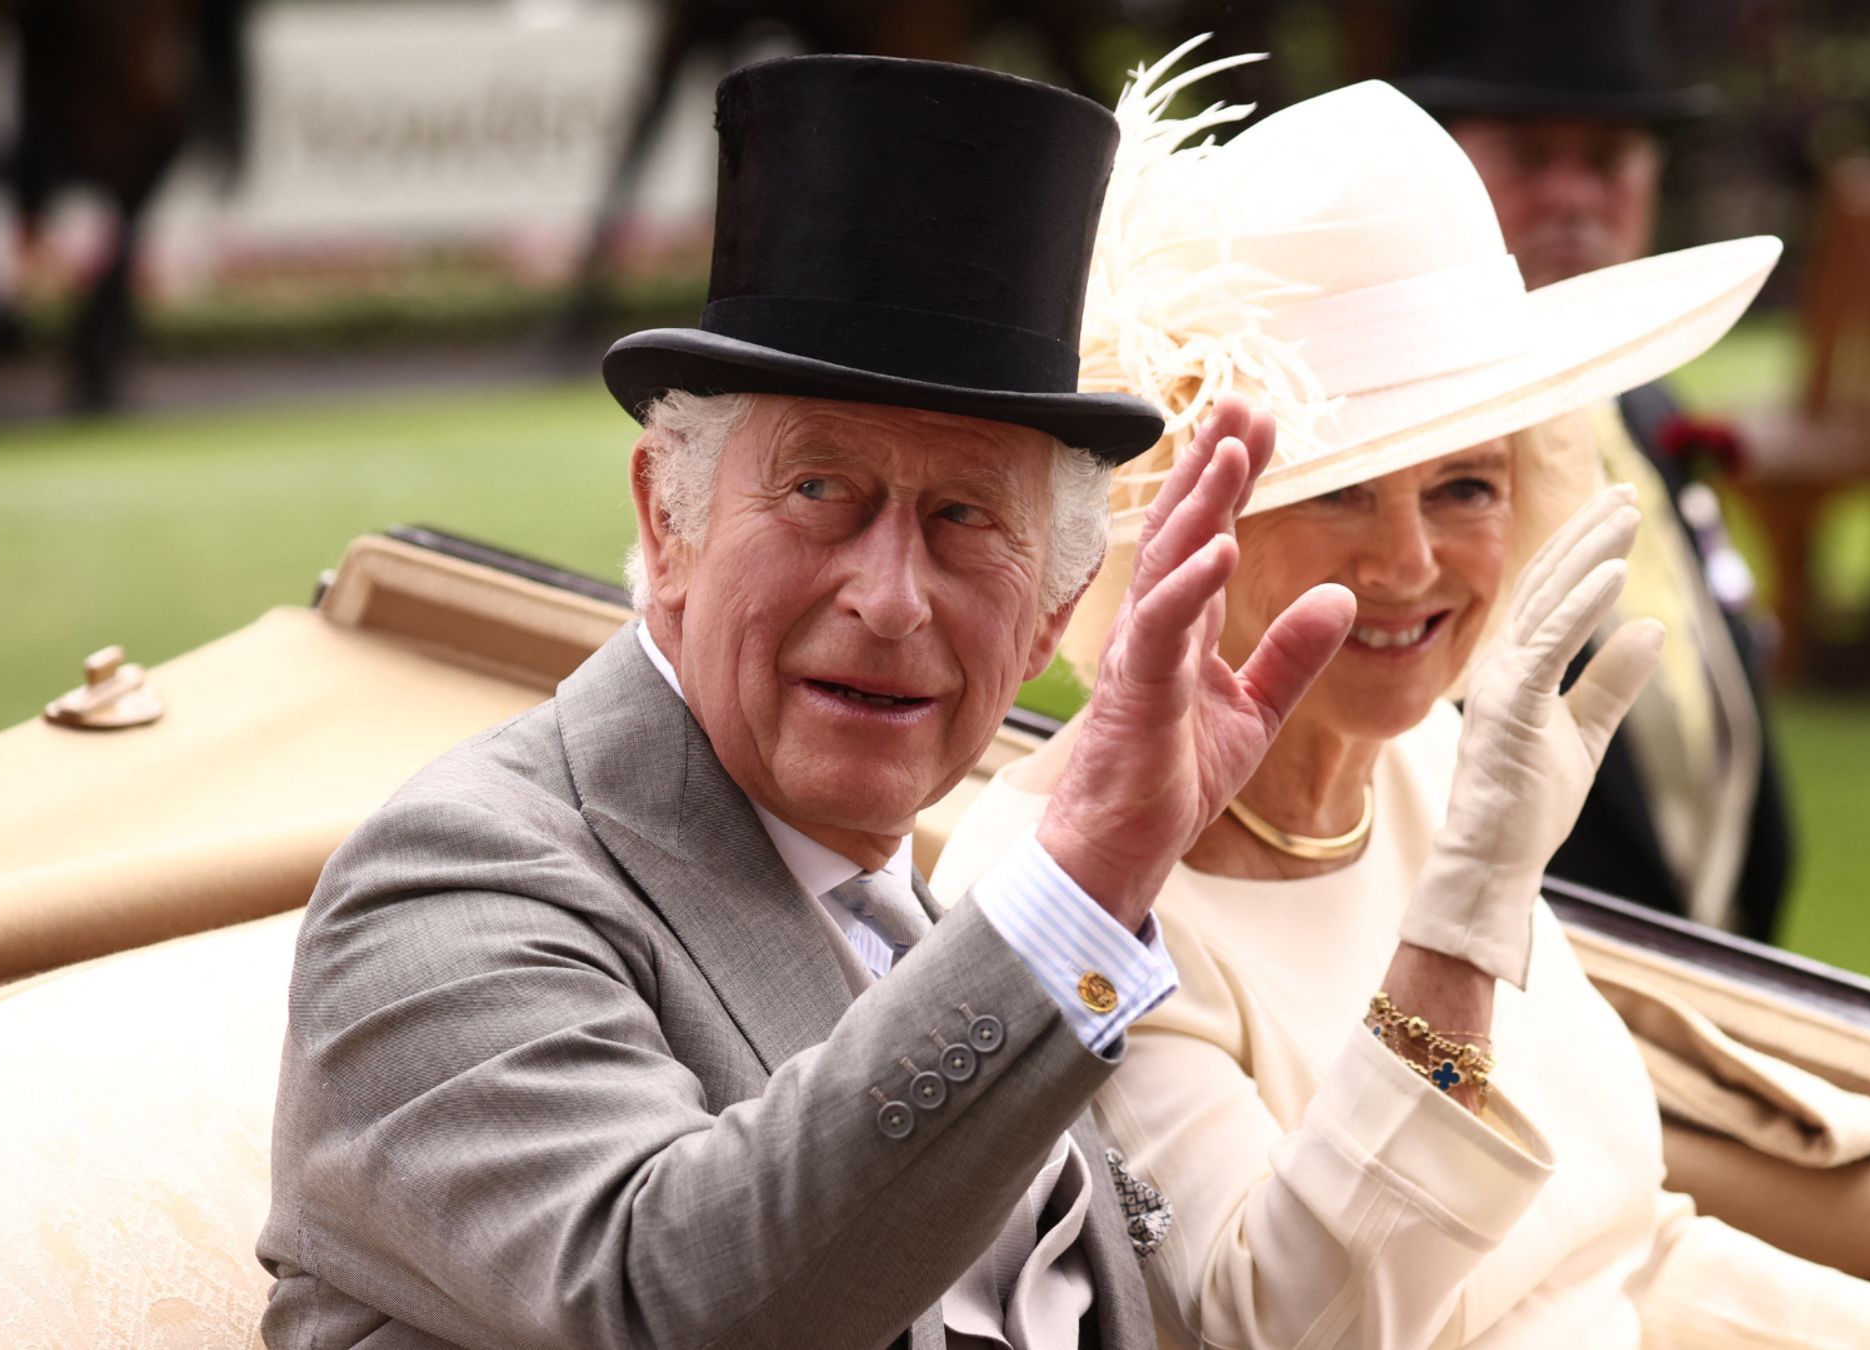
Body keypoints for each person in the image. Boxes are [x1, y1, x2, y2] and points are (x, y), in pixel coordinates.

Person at [934, 66, 1870, 1350]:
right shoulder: (1065, 893)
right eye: (1341, 490)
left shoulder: (1434, 766)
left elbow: (1622, 1250)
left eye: (1466, 486)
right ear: (1189, 522)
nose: (1410, 565)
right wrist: (1460, 922)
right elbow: (1284, 1325)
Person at [256, 54, 1363, 1350]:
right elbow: (678, 1302)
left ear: (1052, 618)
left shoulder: (927, 920)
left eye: (963, 519)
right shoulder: (459, 880)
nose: (892, 597)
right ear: (667, 526)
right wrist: (1084, 880)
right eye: (820, 494)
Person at [1397, 0, 1795, 941]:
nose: (1574, 196)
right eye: (1532, 158)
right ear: (1445, 172)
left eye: (1609, 159)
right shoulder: (1401, 449)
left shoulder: (1651, 409)